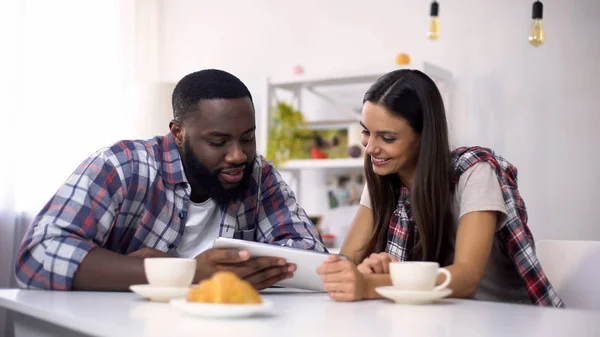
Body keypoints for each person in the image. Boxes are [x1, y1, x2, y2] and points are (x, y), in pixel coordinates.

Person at [16, 69, 325, 291]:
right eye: (218, 141)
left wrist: (235, 268)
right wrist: (181, 272)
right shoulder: (122, 166)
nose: (237, 155)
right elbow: (38, 254)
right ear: (178, 133)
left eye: (247, 138)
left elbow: (310, 255)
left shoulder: (258, 175)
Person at [316, 69, 564, 307]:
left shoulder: (474, 173)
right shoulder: (384, 176)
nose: (370, 148)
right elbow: (347, 260)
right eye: (365, 132)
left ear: (424, 136)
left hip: (503, 319)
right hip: (436, 318)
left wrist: (372, 284)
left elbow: (467, 278)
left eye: (387, 138)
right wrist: (363, 270)